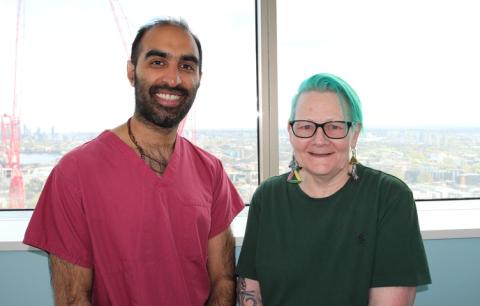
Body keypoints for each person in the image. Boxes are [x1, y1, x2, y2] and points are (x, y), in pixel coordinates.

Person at [23, 18, 244, 306]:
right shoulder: (75, 172)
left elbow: (223, 280)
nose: (173, 79)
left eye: (186, 66)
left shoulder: (210, 170)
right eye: (157, 62)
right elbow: (73, 299)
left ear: (199, 78)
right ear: (131, 71)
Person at [236, 73, 431, 306]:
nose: (319, 140)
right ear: (290, 132)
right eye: (306, 126)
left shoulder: (389, 198)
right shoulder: (267, 197)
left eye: (334, 127)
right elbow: (251, 292)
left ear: (354, 134)